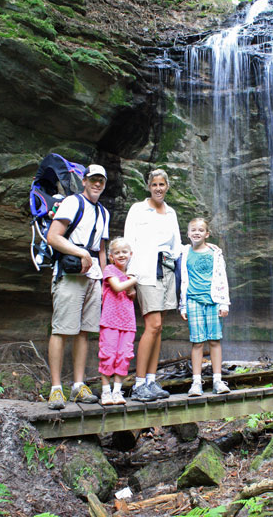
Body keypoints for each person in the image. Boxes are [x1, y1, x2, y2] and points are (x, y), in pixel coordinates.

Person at [46, 164, 110, 409]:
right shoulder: (73, 203)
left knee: (84, 331)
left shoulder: (104, 212)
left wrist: (105, 280)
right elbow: (54, 236)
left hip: (93, 276)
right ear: (84, 181)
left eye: (101, 181)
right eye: (93, 179)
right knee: (62, 329)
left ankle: (78, 386)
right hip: (71, 273)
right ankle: (55, 389)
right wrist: (80, 252)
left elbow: (102, 250)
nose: (97, 184)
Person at [124, 168, 182, 402]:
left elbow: (177, 245)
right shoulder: (138, 209)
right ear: (149, 186)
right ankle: (138, 384)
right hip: (145, 271)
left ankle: (151, 380)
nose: (158, 188)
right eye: (154, 184)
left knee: (159, 327)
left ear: (167, 187)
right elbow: (128, 241)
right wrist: (129, 276)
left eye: (162, 184)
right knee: (153, 324)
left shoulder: (171, 213)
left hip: (167, 271)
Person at [180, 217, 230, 396]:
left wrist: (224, 302)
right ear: (187, 233)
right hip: (193, 300)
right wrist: (183, 306)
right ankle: (196, 382)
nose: (196, 232)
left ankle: (217, 380)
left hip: (213, 300)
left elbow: (222, 277)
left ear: (207, 234)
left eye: (200, 230)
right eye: (193, 229)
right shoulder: (184, 252)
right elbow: (183, 281)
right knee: (197, 342)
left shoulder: (215, 253)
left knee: (215, 340)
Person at [99, 237, 137, 405]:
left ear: (130, 254)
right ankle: (106, 392)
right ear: (111, 256)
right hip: (109, 321)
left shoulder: (129, 274)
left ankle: (117, 391)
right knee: (108, 354)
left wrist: (132, 285)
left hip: (128, 322)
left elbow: (131, 294)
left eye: (124, 252)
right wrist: (135, 279)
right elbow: (117, 287)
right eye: (117, 252)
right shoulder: (109, 270)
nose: (121, 255)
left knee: (124, 356)